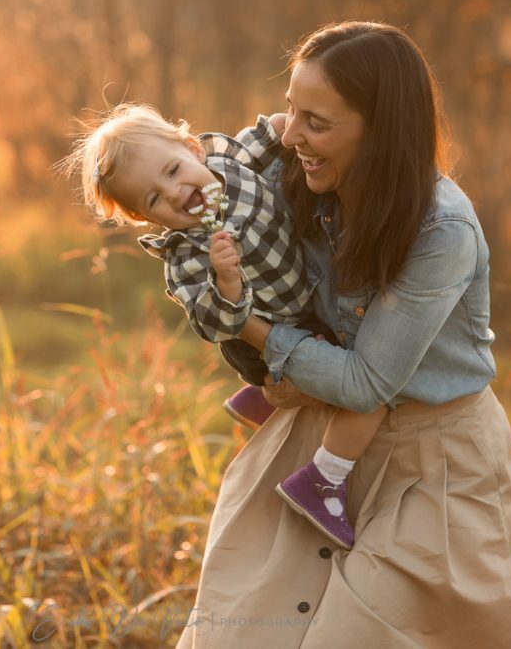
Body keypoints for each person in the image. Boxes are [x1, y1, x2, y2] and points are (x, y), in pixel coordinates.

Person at [176, 21, 511, 647]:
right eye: (291, 110)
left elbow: (367, 381)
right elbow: (187, 189)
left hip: (436, 468)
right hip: (316, 450)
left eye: (316, 122)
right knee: (246, 630)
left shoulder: (440, 232)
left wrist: (253, 329)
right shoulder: (299, 180)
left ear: (382, 129)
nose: (291, 136)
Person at [62, 103, 386, 549]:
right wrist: (227, 281)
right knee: (362, 386)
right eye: (154, 198)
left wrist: (295, 120)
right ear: (146, 218)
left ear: (194, 149)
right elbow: (216, 323)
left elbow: (270, 133)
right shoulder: (186, 256)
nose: (175, 192)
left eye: (174, 170)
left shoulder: (227, 162)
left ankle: (260, 399)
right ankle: (324, 479)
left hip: (304, 292)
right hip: (264, 330)